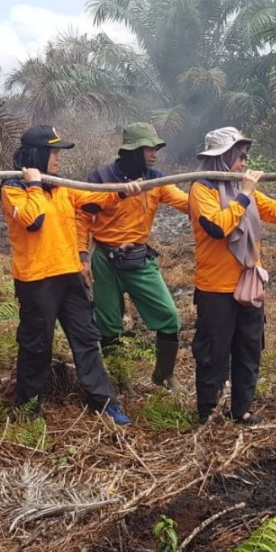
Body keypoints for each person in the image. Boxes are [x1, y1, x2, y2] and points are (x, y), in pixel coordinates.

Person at [0, 125, 142, 425]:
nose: (58, 158)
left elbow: (94, 199)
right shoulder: (12, 189)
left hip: (69, 276)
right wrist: (35, 185)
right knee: (36, 345)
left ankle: (105, 402)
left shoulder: (62, 187)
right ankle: (29, 409)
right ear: (36, 154)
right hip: (36, 280)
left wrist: (119, 193)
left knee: (87, 339)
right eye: (53, 152)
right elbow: (32, 220)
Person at [190, 127, 276, 424]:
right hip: (216, 289)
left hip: (250, 283)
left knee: (249, 348)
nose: (244, 163)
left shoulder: (241, 188)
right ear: (222, 158)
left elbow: (275, 211)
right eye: (239, 156)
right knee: (214, 353)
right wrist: (245, 195)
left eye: (245, 156)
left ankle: (242, 409)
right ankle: (209, 412)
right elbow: (216, 227)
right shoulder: (202, 190)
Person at [76, 122, 189, 392]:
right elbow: (82, 215)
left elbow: (187, 203)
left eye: (155, 149)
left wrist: (215, 198)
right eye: (149, 149)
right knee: (108, 326)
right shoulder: (102, 177)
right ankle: (119, 380)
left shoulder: (156, 180)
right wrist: (82, 256)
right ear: (134, 150)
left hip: (139, 259)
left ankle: (165, 375)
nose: (154, 154)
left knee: (169, 317)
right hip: (105, 259)